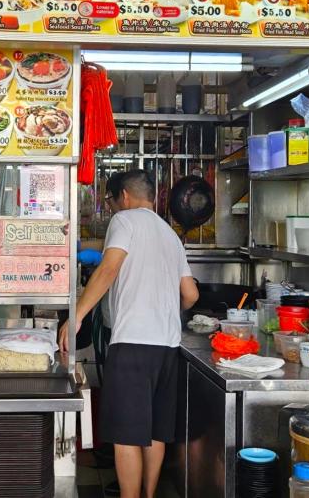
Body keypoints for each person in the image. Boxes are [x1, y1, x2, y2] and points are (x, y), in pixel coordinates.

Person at [60, 169, 199, 498]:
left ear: (123, 196)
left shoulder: (124, 221)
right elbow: (191, 295)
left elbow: (109, 268)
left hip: (133, 342)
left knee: (126, 434)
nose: (110, 207)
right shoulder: (169, 234)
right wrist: (160, 304)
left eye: (109, 200)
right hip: (167, 345)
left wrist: (76, 315)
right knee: (154, 432)